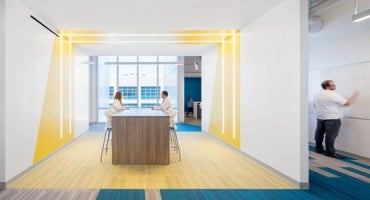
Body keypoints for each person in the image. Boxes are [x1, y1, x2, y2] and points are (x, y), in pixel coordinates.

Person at [313, 80, 360, 159]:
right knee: (331, 135)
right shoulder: (332, 94)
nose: (334, 85)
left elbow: (315, 105)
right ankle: (330, 152)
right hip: (332, 118)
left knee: (319, 134)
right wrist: (355, 95)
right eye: (332, 85)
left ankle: (319, 149)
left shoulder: (317, 94)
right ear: (327, 86)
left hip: (320, 117)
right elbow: (347, 103)